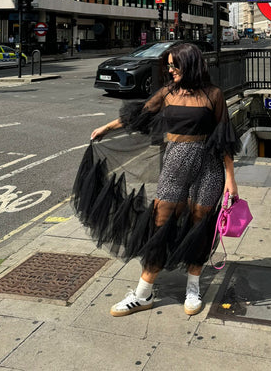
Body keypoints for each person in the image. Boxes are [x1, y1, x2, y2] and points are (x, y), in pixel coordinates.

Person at [73, 42, 240, 318]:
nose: (171, 69)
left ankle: (193, 287)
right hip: (174, 168)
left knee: (200, 226)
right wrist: (106, 127)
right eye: (170, 65)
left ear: (191, 65)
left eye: (176, 65)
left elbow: (224, 140)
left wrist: (231, 180)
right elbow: (139, 115)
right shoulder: (169, 93)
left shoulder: (214, 95)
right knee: (160, 225)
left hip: (208, 169)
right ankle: (143, 293)